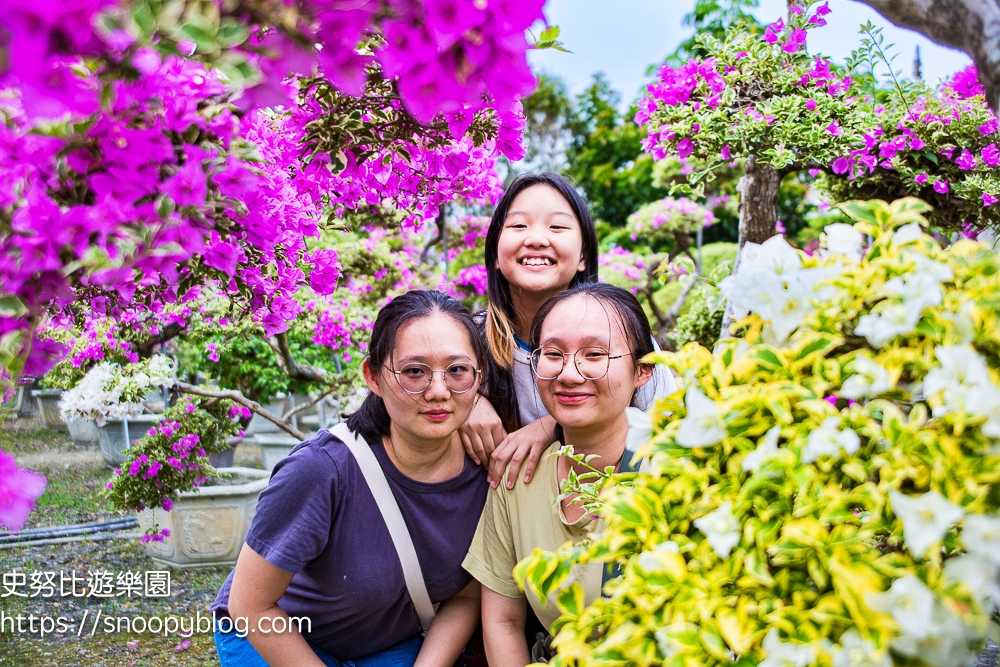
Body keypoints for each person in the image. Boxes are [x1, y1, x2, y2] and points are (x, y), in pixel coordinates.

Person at [211, 290, 489, 667]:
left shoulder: (486, 473)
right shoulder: (321, 470)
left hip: (384, 644)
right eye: (414, 372)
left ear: (479, 378)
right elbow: (250, 606)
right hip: (273, 636)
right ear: (373, 377)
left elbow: (466, 596)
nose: (438, 391)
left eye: (457, 370)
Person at [463, 283, 657, 665]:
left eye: (595, 354)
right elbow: (502, 620)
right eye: (552, 354)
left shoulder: (672, 472)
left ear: (643, 371)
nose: (569, 373)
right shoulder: (519, 476)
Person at [460, 172, 676, 489]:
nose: (535, 239)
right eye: (518, 226)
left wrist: (555, 424)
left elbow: (671, 427)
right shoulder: (469, 341)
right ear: (494, 254)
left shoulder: (622, 337)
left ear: (583, 256)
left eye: (557, 226)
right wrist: (465, 404)